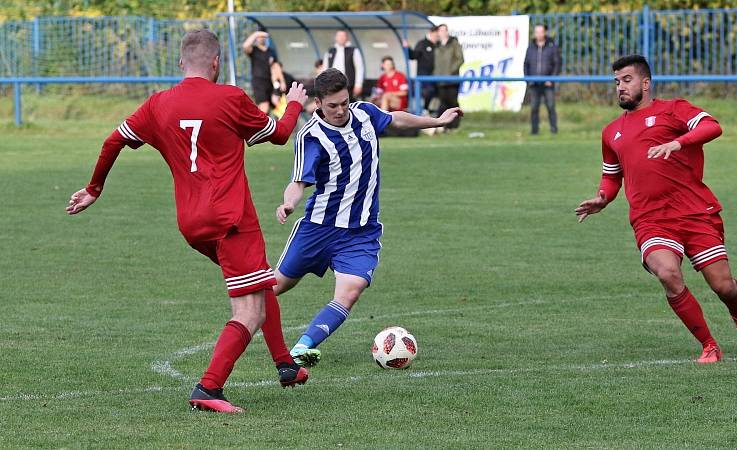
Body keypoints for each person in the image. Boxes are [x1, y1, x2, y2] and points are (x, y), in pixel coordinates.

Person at [65, 30, 310, 413]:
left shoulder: (157, 104)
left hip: (192, 224)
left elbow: (112, 141)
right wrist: (293, 104)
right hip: (231, 219)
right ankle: (209, 388)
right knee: (248, 310)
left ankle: (285, 365)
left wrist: (94, 188)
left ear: (181, 63)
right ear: (216, 63)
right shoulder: (229, 97)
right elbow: (279, 134)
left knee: (259, 277)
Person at [575, 55, 737, 364]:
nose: (620, 87)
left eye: (627, 80)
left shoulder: (673, 109)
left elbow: (712, 127)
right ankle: (709, 345)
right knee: (667, 272)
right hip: (651, 219)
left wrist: (679, 143)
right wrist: (602, 198)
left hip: (695, 212)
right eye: (617, 82)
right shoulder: (611, 133)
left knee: (723, 286)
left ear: (645, 83)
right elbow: (611, 176)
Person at [272, 69, 463, 366]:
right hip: (319, 228)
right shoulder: (310, 136)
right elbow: (298, 181)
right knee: (275, 288)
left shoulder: (364, 114)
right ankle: (240, 326)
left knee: (351, 290)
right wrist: (288, 203)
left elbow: (395, 118)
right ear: (319, 103)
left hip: (361, 231)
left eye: (343, 103)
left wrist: (436, 121)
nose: (339, 110)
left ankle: (302, 347)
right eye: (332, 105)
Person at [523, 24, 561, 135]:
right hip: (534, 83)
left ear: (545, 32)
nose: (538, 34)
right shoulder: (531, 47)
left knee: (550, 106)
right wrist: (528, 79)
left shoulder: (552, 46)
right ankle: (534, 131)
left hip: (548, 83)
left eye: (541, 32)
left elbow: (557, 64)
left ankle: (554, 130)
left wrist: (552, 79)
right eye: (536, 32)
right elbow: (526, 64)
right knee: (534, 108)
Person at [433, 23, 464, 129]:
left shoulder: (454, 43)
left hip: (452, 79)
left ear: (447, 31)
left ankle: (455, 126)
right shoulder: (436, 44)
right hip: (439, 80)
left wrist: (451, 71)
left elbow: (460, 59)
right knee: (443, 103)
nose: (442, 32)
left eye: (444, 30)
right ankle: (444, 126)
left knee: (452, 102)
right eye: (440, 30)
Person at [404, 26, 439, 112]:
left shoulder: (439, 45)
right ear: (430, 33)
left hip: (436, 75)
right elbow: (413, 56)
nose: (437, 38)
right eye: (436, 35)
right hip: (424, 76)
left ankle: (433, 111)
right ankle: (425, 110)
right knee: (430, 91)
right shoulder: (422, 44)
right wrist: (407, 48)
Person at [243, 30, 279, 113]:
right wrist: (256, 34)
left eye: (263, 36)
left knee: (274, 107)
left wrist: (278, 83)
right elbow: (245, 46)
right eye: (259, 36)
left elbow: (276, 68)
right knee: (264, 106)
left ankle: (265, 125)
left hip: (270, 82)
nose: (261, 38)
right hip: (258, 82)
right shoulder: (254, 50)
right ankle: (258, 125)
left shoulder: (271, 51)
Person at [322, 30, 365, 99]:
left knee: (347, 104)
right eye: (339, 36)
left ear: (346, 38)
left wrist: (358, 84)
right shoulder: (330, 51)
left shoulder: (354, 50)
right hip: (331, 84)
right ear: (336, 38)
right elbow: (325, 68)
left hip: (348, 84)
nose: (341, 38)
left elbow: (359, 68)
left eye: (343, 36)